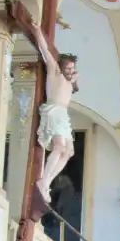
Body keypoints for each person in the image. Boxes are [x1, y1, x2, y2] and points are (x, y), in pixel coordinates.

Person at [35, 46, 78, 207]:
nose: (71, 71)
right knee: (59, 147)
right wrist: (38, 33)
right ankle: (43, 181)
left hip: (63, 115)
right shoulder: (54, 71)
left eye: (73, 68)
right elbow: (45, 51)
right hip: (54, 111)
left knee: (69, 151)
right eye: (68, 68)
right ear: (61, 67)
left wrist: (74, 78)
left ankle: (47, 182)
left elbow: (74, 82)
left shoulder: (69, 81)